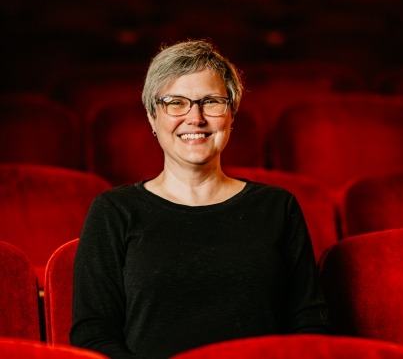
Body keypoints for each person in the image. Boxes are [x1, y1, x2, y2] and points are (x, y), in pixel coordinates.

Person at [70, 39, 329, 359]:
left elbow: (308, 322)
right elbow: (93, 333)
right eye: (175, 102)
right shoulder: (114, 211)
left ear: (231, 115)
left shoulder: (277, 207)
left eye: (211, 102)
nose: (195, 117)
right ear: (153, 117)